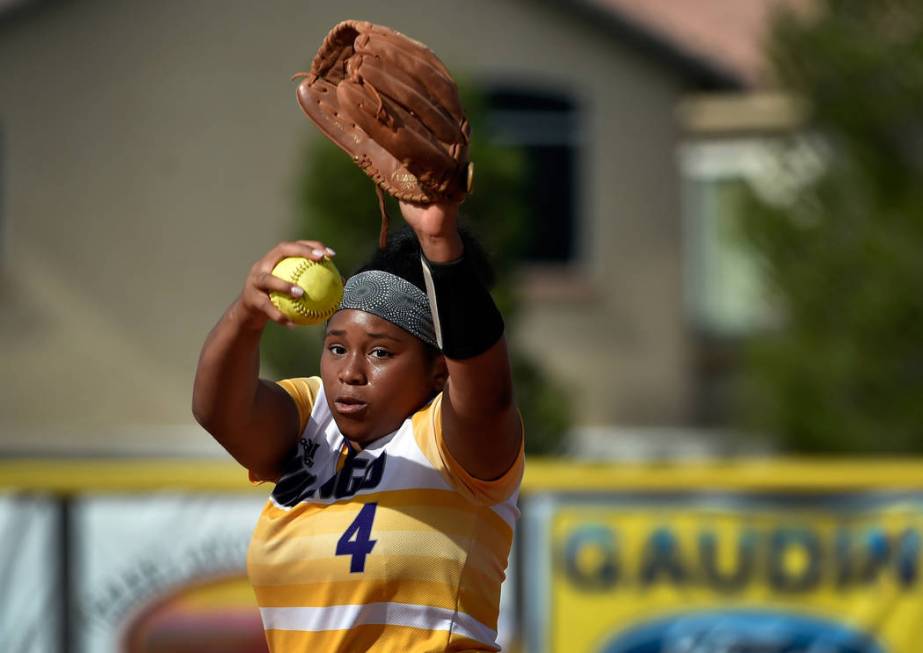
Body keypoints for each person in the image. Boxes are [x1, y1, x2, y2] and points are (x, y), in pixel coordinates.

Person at [192, 199, 524, 652]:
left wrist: (440, 243)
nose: (350, 371)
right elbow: (217, 411)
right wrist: (245, 316)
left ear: (440, 371)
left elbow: (488, 385)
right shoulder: (314, 419)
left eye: (380, 352)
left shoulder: (452, 445)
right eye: (336, 348)